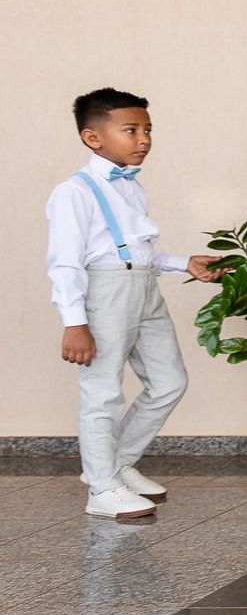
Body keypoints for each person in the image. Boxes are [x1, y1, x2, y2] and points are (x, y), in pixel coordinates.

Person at [46, 89, 220, 521]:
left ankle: (115, 464)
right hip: (105, 294)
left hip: (143, 289)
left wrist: (185, 263)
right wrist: (74, 322)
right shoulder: (74, 192)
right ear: (93, 137)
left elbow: (136, 253)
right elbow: (66, 262)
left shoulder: (132, 187)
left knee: (169, 381)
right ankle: (102, 488)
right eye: (130, 130)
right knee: (102, 392)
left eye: (147, 130)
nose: (143, 139)